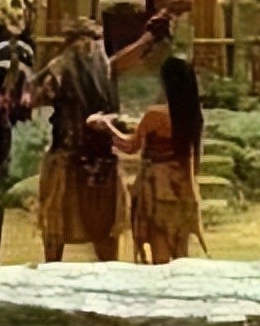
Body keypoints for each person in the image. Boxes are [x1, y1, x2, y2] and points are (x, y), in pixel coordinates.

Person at [27, 0, 190, 262]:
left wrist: (165, 17)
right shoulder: (62, 69)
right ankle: (49, 276)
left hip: (103, 164)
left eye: (95, 41)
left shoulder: (105, 67)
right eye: (87, 42)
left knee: (106, 238)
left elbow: (139, 47)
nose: (92, 48)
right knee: (55, 234)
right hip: (67, 162)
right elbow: (28, 98)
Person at [88, 56, 208, 264]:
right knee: (181, 257)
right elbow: (194, 158)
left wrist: (106, 126)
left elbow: (129, 146)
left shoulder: (155, 115)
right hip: (183, 191)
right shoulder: (194, 118)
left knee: (160, 259)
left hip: (157, 190)